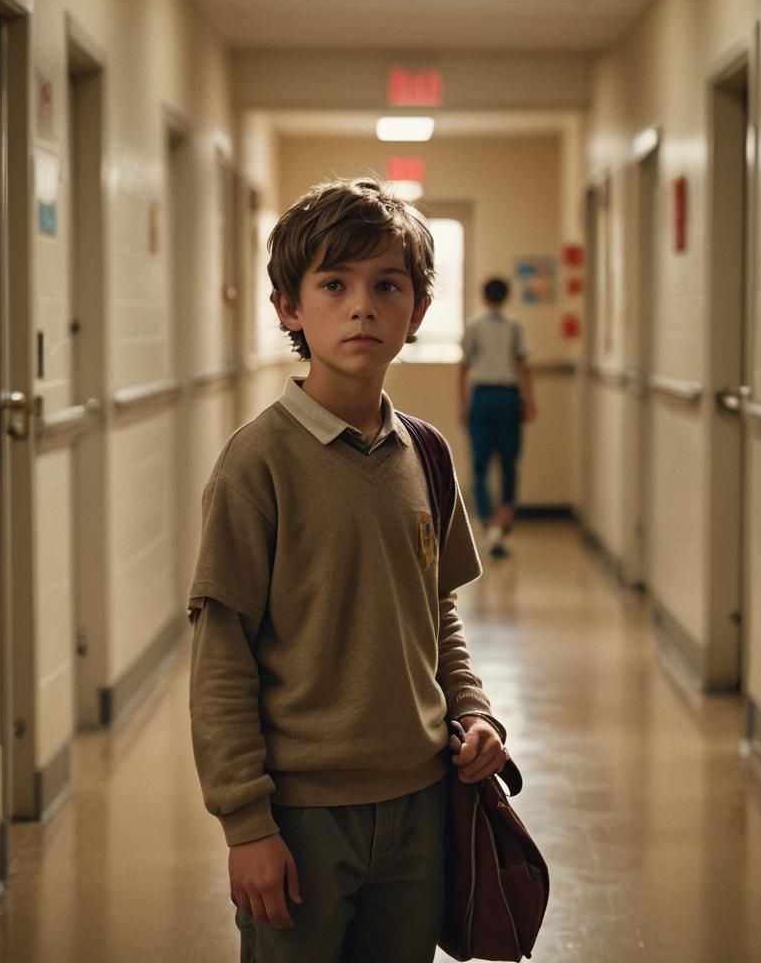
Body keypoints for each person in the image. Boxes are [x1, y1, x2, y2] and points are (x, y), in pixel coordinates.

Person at [187, 178, 508, 963]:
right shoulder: (256, 464)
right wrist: (246, 825)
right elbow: (221, 656)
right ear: (289, 308)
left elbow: (437, 617)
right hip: (300, 816)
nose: (362, 306)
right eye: (334, 284)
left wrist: (475, 713)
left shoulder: (426, 455)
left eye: (386, 285)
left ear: (418, 312)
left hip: (419, 802)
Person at [459, 276, 535, 558]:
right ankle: (503, 521)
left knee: (480, 464)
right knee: (509, 462)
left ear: (483, 295)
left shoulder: (474, 325)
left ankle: (487, 522)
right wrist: (529, 400)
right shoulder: (515, 325)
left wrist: (463, 402)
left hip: (481, 397)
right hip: (508, 396)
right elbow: (522, 365)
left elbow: (464, 366)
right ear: (506, 296)